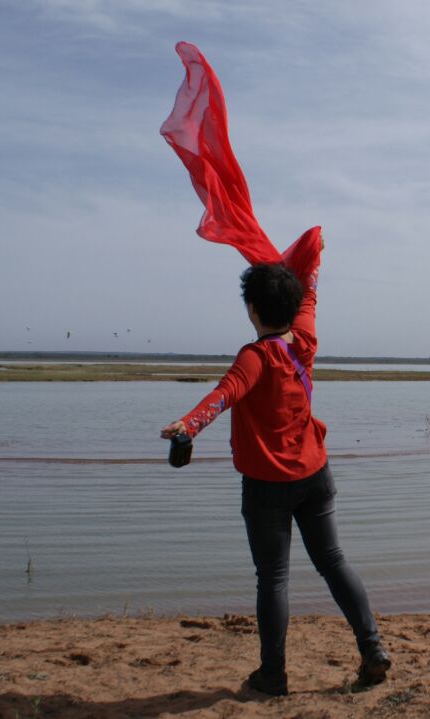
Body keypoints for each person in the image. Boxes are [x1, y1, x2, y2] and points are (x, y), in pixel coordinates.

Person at [160, 248, 390, 697]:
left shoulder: (255, 356)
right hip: (315, 476)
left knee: (273, 578)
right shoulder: (303, 339)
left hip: (267, 487)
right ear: (291, 305)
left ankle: (273, 675)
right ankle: (372, 648)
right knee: (334, 562)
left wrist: (188, 426)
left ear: (251, 309)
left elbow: (225, 393)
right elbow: (311, 297)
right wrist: (314, 261)